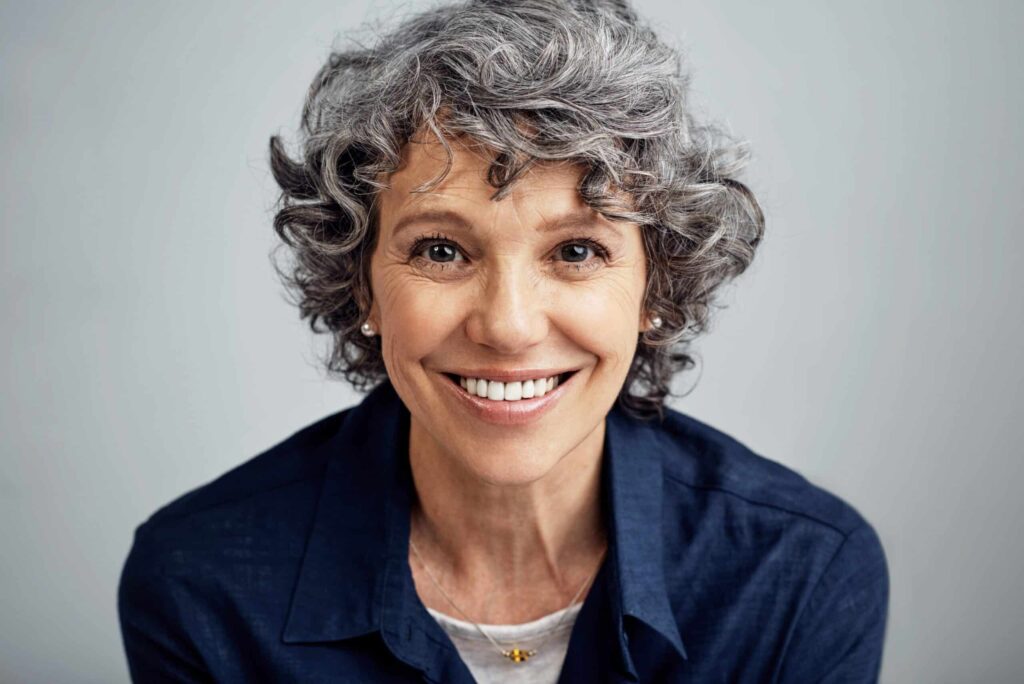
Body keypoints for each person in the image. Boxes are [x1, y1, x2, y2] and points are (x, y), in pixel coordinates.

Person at [117, 0, 889, 682]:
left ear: (655, 288)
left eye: (578, 251)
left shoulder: (799, 573)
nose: (509, 327)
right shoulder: (203, 585)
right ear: (363, 287)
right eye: (441, 251)